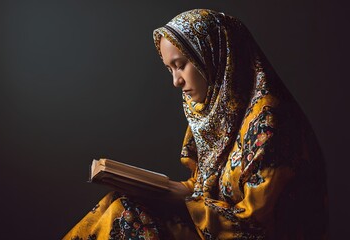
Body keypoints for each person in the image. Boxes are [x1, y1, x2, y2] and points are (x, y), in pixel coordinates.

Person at [63, 9, 328, 240]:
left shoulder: (269, 121)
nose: (176, 81)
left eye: (181, 65)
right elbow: (207, 186)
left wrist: (183, 200)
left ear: (215, 55)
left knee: (128, 216)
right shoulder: (216, 109)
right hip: (214, 226)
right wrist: (172, 189)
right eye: (170, 69)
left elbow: (257, 225)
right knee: (118, 202)